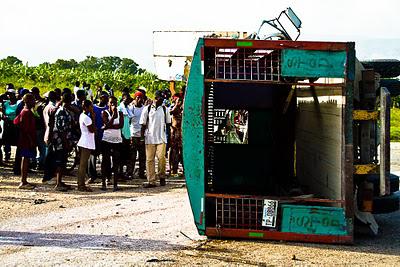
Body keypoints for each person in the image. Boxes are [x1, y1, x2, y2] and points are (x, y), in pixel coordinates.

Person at [140, 90, 171, 188]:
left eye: (163, 99)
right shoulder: (147, 109)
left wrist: (169, 139)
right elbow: (143, 125)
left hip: (161, 138)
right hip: (150, 138)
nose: (162, 101)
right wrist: (141, 138)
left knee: (161, 158)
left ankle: (162, 176)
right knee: (149, 160)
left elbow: (168, 125)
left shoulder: (165, 109)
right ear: (156, 98)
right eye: (161, 99)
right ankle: (151, 181)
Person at [50, 93, 74, 191]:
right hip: (60, 140)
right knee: (60, 160)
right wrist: (65, 142)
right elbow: (62, 129)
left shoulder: (64, 110)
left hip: (62, 139)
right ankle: (58, 183)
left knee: (63, 160)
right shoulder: (62, 112)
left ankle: (59, 181)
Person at [13, 94, 36, 189]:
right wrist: (31, 141)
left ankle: (24, 180)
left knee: (25, 158)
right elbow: (25, 129)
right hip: (26, 140)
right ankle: (23, 181)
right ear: (28, 101)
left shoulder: (25, 111)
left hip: (25, 139)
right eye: (33, 100)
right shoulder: (26, 112)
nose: (34, 102)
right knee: (25, 159)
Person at [101, 96, 123, 191]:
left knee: (116, 161)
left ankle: (115, 184)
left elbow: (120, 125)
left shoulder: (120, 113)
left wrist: (109, 126)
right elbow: (106, 125)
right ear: (108, 104)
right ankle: (103, 183)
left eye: (114, 103)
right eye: (111, 103)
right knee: (105, 161)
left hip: (117, 140)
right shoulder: (104, 113)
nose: (113, 104)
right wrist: (113, 117)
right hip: (106, 140)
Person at [88, 91, 109, 183]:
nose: (106, 99)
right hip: (95, 136)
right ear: (100, 98)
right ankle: (92, 176)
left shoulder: (108, 108)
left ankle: (107, 176)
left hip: (105, 136)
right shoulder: (94, 108)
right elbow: (90, 121)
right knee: (92, 156)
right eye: (105, 97)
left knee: (106, 157)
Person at [76, 100, 95, 192]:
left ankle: (80, 183)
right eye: (91, 106)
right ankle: (81, 185)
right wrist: (93, 116)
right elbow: (92, 129)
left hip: (84, 141)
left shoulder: (82, 116)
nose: (92, 108)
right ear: (87, 107)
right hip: (86, 142)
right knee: (83, 165)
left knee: (82, 164)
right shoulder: (86, 118)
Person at [127, 91, 146, 179]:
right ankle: (130, 172)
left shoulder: (145, 109)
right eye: (137, 97)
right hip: (133, 134)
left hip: (142, 135)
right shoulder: (131, 108)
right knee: (132, 156)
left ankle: (141, 172)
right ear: (135, 98)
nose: (139, 99)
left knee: (142, 156)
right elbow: (129, 122)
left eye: (140, 98)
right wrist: (130, 135)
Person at [42, 91, 58, 184]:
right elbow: (51, 123)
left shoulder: (47, 107)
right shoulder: (53, 108)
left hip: (47, 132)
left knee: (49, 156)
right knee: (50, 157)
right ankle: (48, 177)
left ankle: (47, 176)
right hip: (51, 134)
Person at [117, 92, 133, 179]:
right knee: (120, 156)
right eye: (127, 99)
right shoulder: (119, 109)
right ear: (123, 98)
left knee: (125, 156)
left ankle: (122, 173)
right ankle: (119, 173)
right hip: (121, 135)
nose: (128, 101)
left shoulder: (128, 109)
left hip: (127, 135)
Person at [169, 93, 184, 175]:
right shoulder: (174, 108)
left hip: (182, 133)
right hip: (175, 133)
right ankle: (173, 169)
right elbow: (171, 113)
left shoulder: (183, 109)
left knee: (182, 152)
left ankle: (184, 169)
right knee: (174, 152)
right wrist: (176, 105)